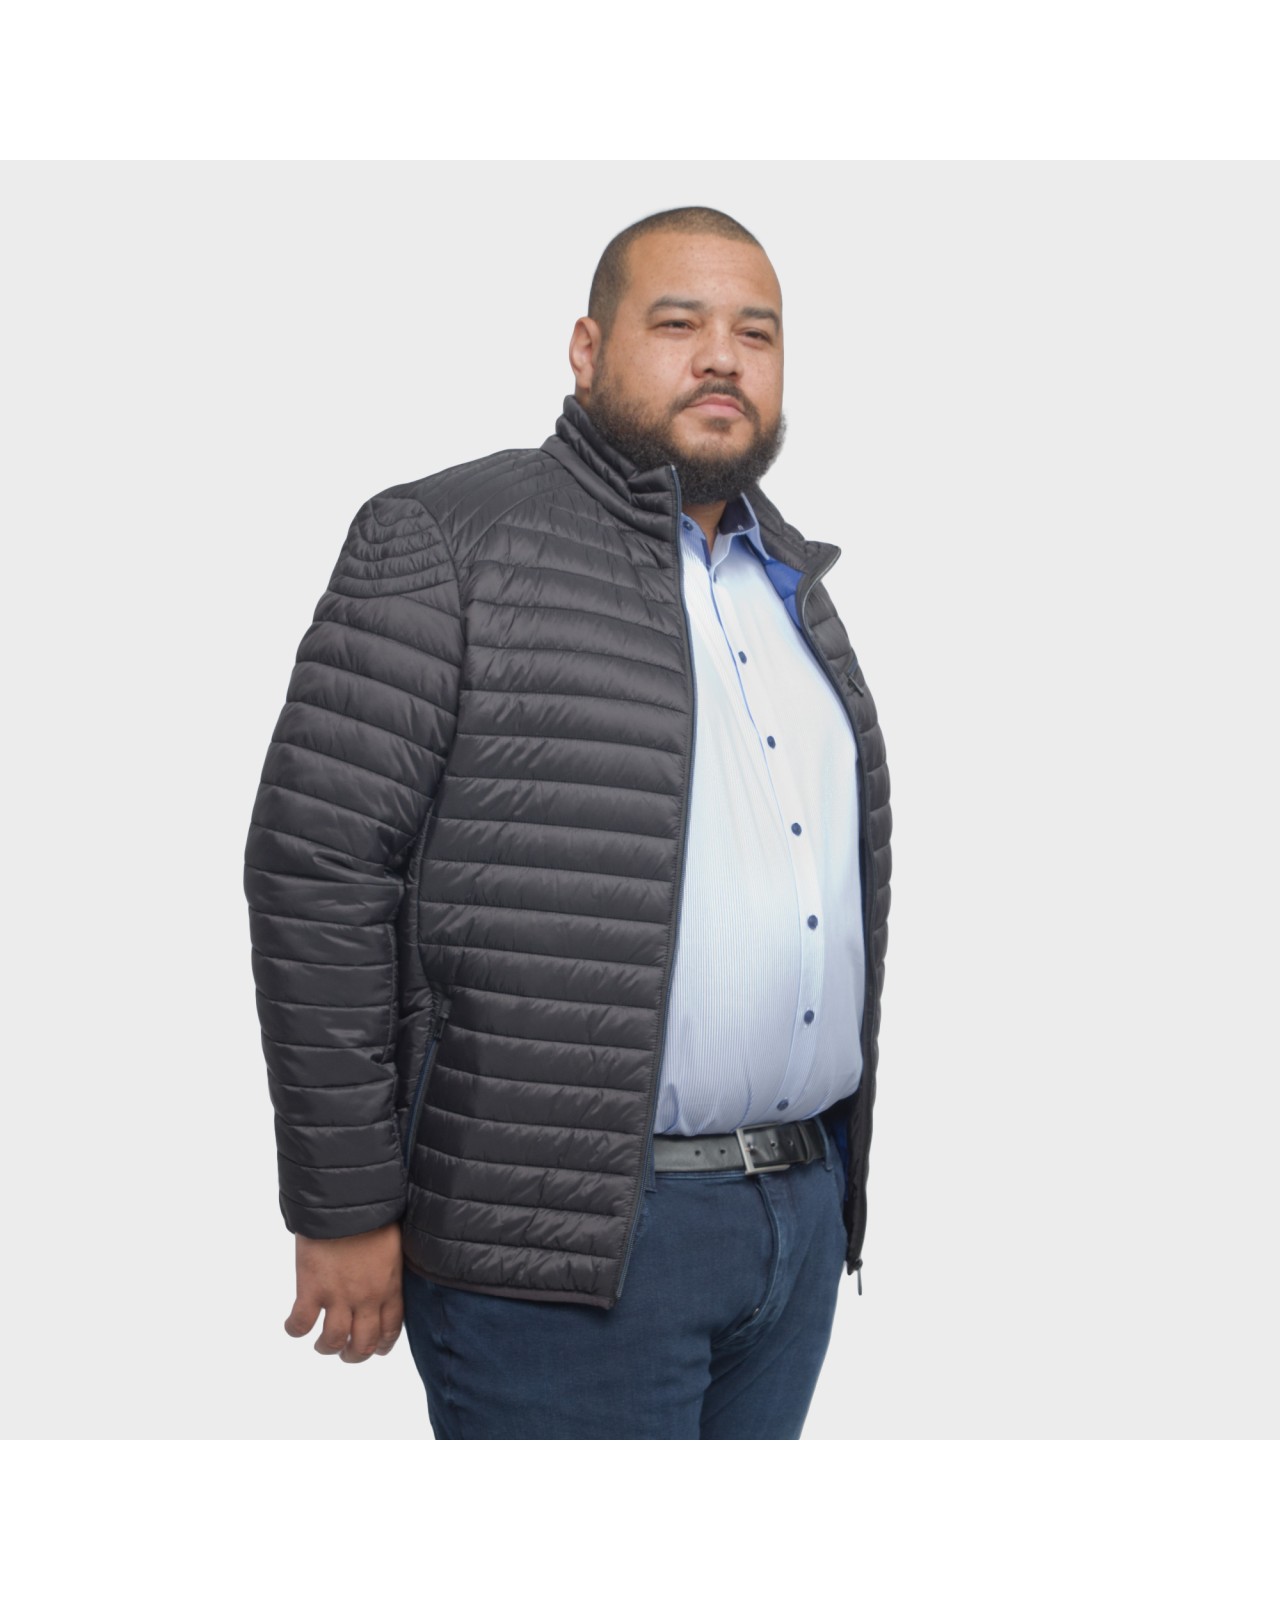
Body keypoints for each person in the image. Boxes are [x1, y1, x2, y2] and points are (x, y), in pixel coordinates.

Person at [244, 205, 892, 1439]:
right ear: (587, 350)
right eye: (677, 323)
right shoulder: (446, 539)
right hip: (559, 1243)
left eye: (755, 333)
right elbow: (318, 869)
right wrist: (342, 1203)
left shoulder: (792, 586)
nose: (722, 357)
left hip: (794, 1216)